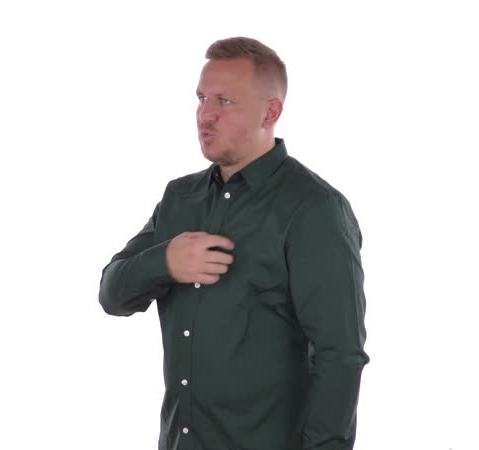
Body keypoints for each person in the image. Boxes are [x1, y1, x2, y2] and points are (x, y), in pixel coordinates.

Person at [98, 36, 369, 450]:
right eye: (201, 98)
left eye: (224, 101)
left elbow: (340, 356)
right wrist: (165, 261)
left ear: (270, 112)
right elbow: (112, 294)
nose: (205, 114)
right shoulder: (179, 198)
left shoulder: (314, 209)